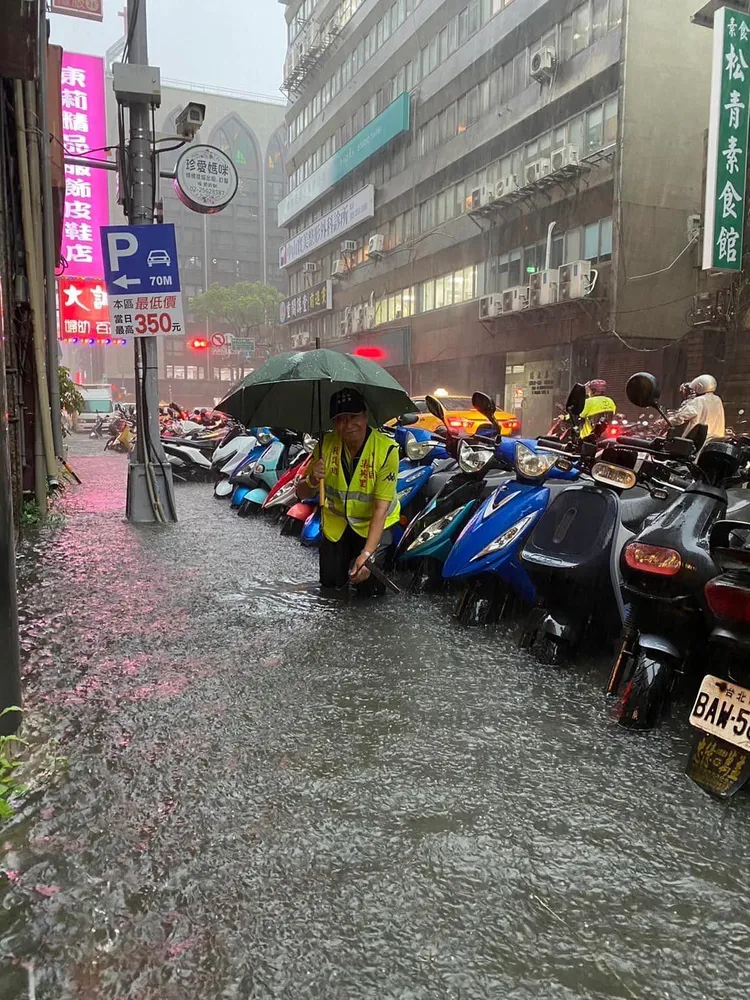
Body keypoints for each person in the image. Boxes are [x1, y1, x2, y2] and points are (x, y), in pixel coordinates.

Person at [296, 387, 400, 596]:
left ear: (365, 416)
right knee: (330, 589)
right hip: (336, 527)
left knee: (369, 589)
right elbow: (301, 494)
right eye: (341, 419)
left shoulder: (387, 450)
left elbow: (380, 509)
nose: (349, 425)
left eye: (354, 417)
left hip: (374, 525)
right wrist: (313, 478)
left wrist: (367, 554)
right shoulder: (325, 444)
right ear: (334, 424)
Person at [667, 374, 725, 443]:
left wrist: (669, 421)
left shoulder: (699, 400)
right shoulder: (717, 400)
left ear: (700, 387)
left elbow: (681, 417)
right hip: (713, 441)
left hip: (697, 442)